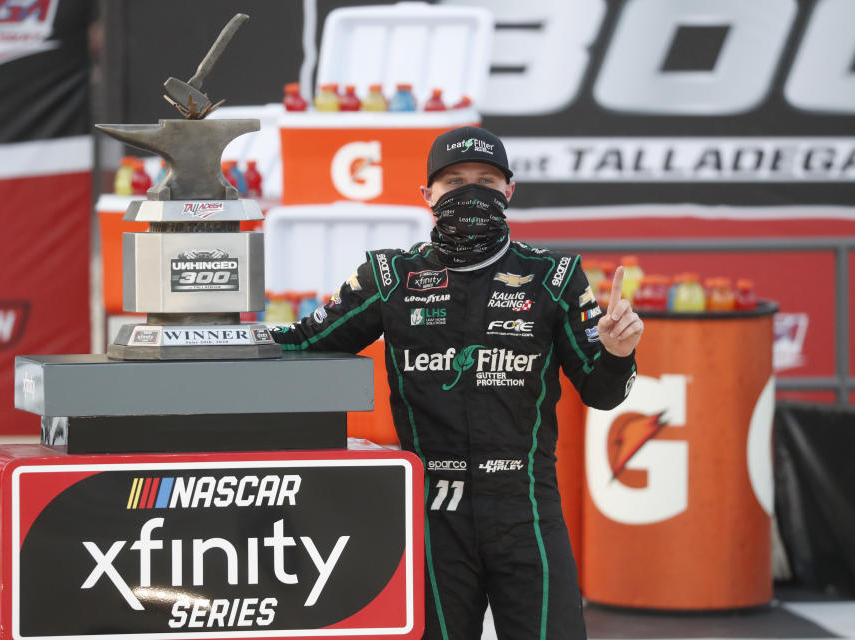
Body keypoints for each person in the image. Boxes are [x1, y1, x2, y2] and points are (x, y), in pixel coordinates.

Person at [271, 125, 643, 640]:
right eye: (453, 181)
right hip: (432, 516)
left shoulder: (554, 277)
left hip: (526, 510)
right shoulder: (391, 276)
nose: (471, 192)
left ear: (509, 190)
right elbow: (304, 340)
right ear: (427, 195)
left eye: (486, 179)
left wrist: (619, 352)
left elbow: (604, 393)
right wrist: (210, 334)